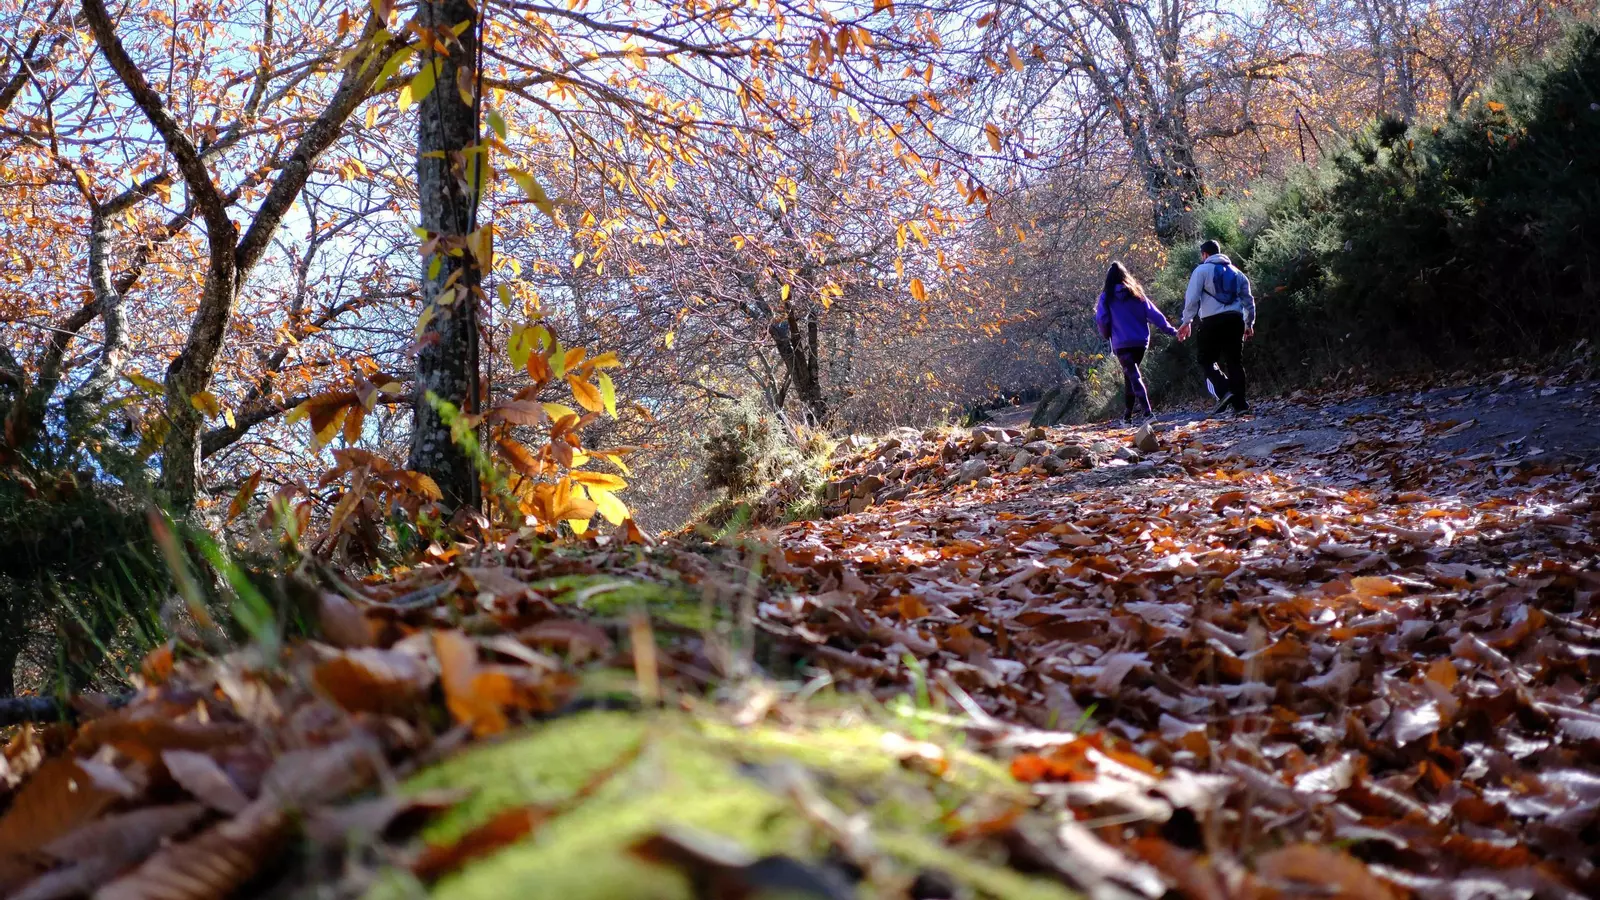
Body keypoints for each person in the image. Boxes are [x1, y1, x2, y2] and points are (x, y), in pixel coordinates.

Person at [1176, 239, 1255, 416]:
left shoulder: (1201, 270)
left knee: (1206, 359)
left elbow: (1192, 298)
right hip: (1235, 320)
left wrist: (1187, 321)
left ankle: (1224, 389)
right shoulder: (1238, 273)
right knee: (1235, 361)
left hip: (1212, 322)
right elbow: (1249, 301)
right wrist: (1249, 323)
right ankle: (1240, 405)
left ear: (1205, 254)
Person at [1095, 261, 1180, 424]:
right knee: (1130, 376)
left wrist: (1107, 335)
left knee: (1133, 375)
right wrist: (1171, 330)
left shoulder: (1107, 297)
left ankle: (1147, 413)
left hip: (1122, 343)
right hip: (1140, 342)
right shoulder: (1136, 293)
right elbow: (1154, 313)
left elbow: (1102, 319)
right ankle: (1127, 416)